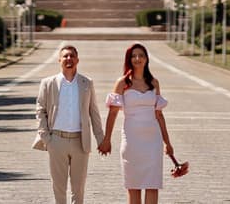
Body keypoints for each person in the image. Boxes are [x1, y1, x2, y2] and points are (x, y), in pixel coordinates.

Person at [99, 43, 174, 204]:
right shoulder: (122, 83)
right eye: (134, 56)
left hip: (153, 143)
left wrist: (167, 143)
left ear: (147, 59)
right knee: (133, 187)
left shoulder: (154, 83)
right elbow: (112, 113)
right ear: (129, 59)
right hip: (131, 142)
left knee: (152, 186)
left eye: (141, 55)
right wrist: (107, 139)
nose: (137, 59)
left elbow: (159, 115)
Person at [33, 44, 107, 204]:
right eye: (65, 56)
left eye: (72, 56)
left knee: (78, 189)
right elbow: (40, 110)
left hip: (80, 141)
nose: (69, 59)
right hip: (56, 140)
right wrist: (46, 137)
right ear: (59, 60)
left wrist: (101, 139)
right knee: (59, 188)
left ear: (77, 60)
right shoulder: (48, 83)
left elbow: (93, 112)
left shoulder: (86, 82)